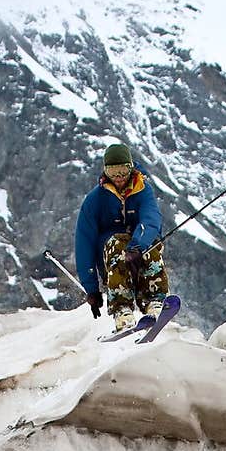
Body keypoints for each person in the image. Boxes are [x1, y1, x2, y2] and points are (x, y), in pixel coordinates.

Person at [74, 141, 170, 333]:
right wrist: (91, 288)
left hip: (138, 250)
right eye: (113, 172)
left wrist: (137, 246)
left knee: (152, 243)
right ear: (105, 172)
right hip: (111, 257)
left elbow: (151, 219)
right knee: (117, 243)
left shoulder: (143, 190)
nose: (118, 177)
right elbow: (84, 243)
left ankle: (154, 301)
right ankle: (122, 309)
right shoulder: (95, 200)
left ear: (130, 168)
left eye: (122, 171)